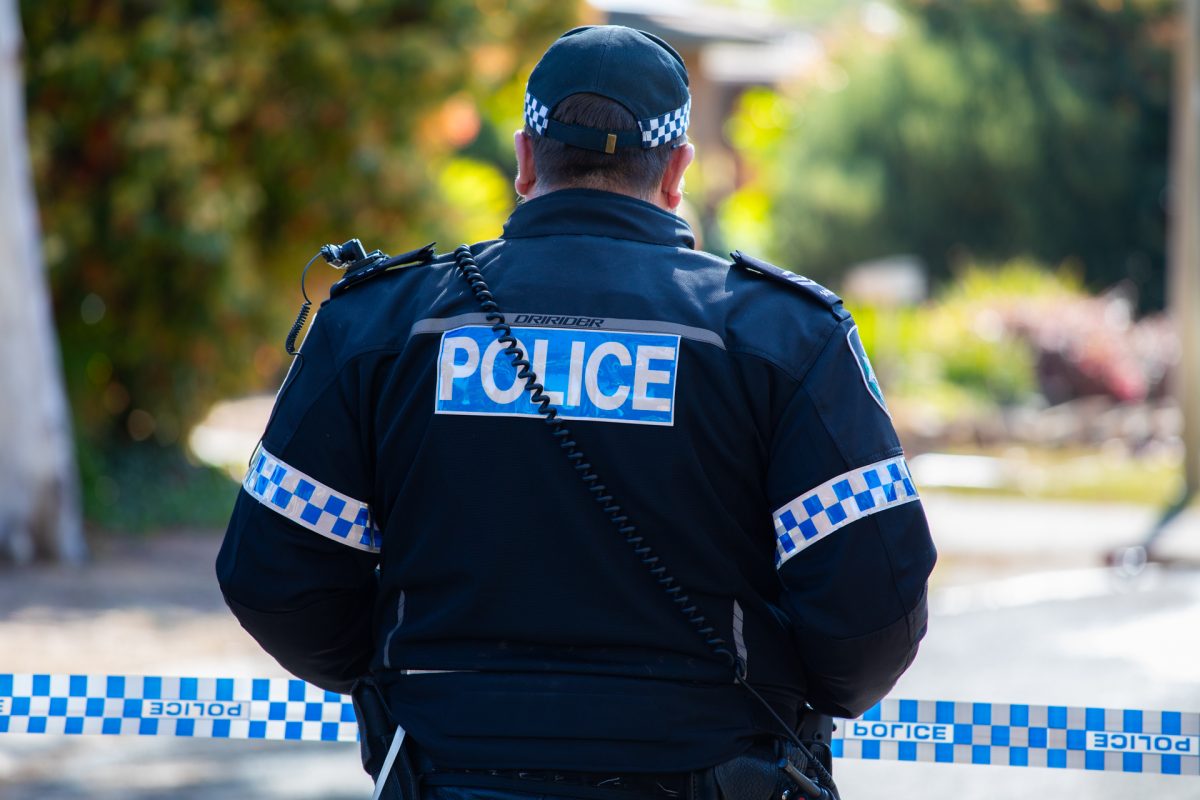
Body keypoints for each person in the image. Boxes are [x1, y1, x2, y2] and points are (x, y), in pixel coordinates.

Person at [216, 24, 936, 800]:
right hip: (711, 773)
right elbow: (873, 607)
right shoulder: (783, 335)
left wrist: (413, 687)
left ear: (525, 159)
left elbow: (273, 576)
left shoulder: (383, 324)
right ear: (677, 172)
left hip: (448, 771)